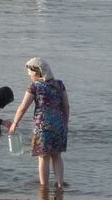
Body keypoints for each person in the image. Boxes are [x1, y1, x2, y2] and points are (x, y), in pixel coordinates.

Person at [9, 58, 69, 188]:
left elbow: (23, 107)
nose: (29, 76)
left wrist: (14, 123)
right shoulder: (59, 85)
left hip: (43, 127)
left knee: (43, 157)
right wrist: (65, 123)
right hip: (59, 126)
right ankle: (60, 184)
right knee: (57, 156)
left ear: (38, 72)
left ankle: (44, 187)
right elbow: (66, 106)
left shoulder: (35, 87)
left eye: (30, 73)